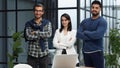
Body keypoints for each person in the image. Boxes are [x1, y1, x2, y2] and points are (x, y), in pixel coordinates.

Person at [76, 1, 107, 68]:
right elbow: (78, 34)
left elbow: (98, 35)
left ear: (100, 9)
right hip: (86, 52)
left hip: (97, 52)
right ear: (90, 8)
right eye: (92, 7)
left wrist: (86, 32)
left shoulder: (102, 21)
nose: (94, 9)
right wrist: (92, 36)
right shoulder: (84, 21)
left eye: (96, 8)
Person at [24, 3, 52, 68]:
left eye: (40, 11)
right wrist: (42, 34)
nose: (38, 12)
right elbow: (28, 36)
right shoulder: (29, 23)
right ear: (33, 12)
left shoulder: (47, 23)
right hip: (32, 54)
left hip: (44, 54)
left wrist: (35, 32)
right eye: (36, 10)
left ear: (42, 12)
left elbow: (48, 34)